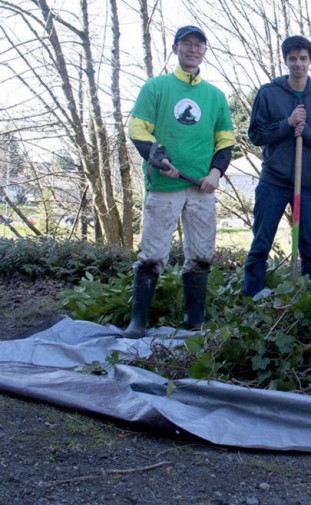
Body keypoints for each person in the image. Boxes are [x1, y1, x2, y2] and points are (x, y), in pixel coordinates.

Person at [125, 25, 235, 337]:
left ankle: (194, 321)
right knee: (152, 253)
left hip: (201, 188)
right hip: (164, 186)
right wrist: (156, 157)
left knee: (201, 254)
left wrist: (215, 173)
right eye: (186, 43)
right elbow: (138, 128)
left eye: (199, 44)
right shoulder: (156, 87)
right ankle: (138, 321)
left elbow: (225, 139)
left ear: (205, 51)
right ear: (176, 49)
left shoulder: (214, 96)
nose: (192, 49)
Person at [242, 36, 311, 297]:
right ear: (285, 60)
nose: (298, 64)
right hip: (273, 181)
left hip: (307, 183)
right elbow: (255, 135)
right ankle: (250, 300)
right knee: (261, 242)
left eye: (303, 58)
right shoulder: (268, 93)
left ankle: (310, 301)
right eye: (293, 59)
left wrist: (307, 133)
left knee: (309, 247)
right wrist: (287, 123)